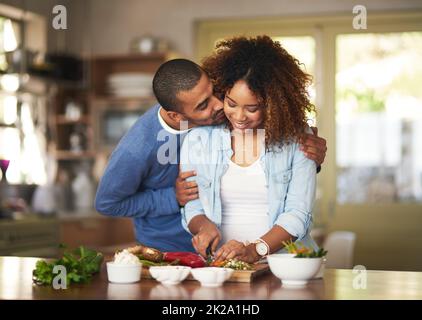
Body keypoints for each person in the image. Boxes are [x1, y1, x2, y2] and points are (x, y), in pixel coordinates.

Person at [95, 57, 327, 253]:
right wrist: (173, 198)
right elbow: (108, 203)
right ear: (177, 116)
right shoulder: (138, 147)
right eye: (204, 104)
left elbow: (257, 81)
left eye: (215, 91)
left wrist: (307, 157)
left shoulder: (221, 114)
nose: (219, 105)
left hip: (225, 252)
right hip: (169, 246)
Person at [180, 36, 320, 263]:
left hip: (286, 266)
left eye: (252, 108)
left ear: (274, 104)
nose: (239, 117)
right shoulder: (198, 139)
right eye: (231, 103)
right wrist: (203, 226)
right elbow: (192, 203)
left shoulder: (298, 139)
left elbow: (298, 214)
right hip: (223, 268)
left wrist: (255, 250)